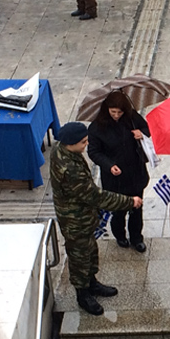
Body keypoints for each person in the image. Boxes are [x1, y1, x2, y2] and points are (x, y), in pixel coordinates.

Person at [50, 122, 142, 316]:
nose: (86, 144)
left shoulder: (63, 151)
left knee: (90, 251)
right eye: (83, 142)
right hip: (75, 221)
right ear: (70, 143)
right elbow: (97, 196)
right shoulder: (69, 170)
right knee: (79, 257)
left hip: (83, 216)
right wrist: (129, 202)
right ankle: (82, 294)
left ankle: (91, 283)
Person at [88, 91, 150, 253]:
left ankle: (137, 238)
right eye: (113, 112)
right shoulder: (96, 127)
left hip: (135, 173)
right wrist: (108, 165)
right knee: (118, 211)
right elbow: (94, 152)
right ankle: (120, 235)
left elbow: (146, 128)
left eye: (119, 112)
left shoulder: (131, 118)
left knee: (137, 210)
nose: (116, 115)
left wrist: (141, 133)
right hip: (114, 179)